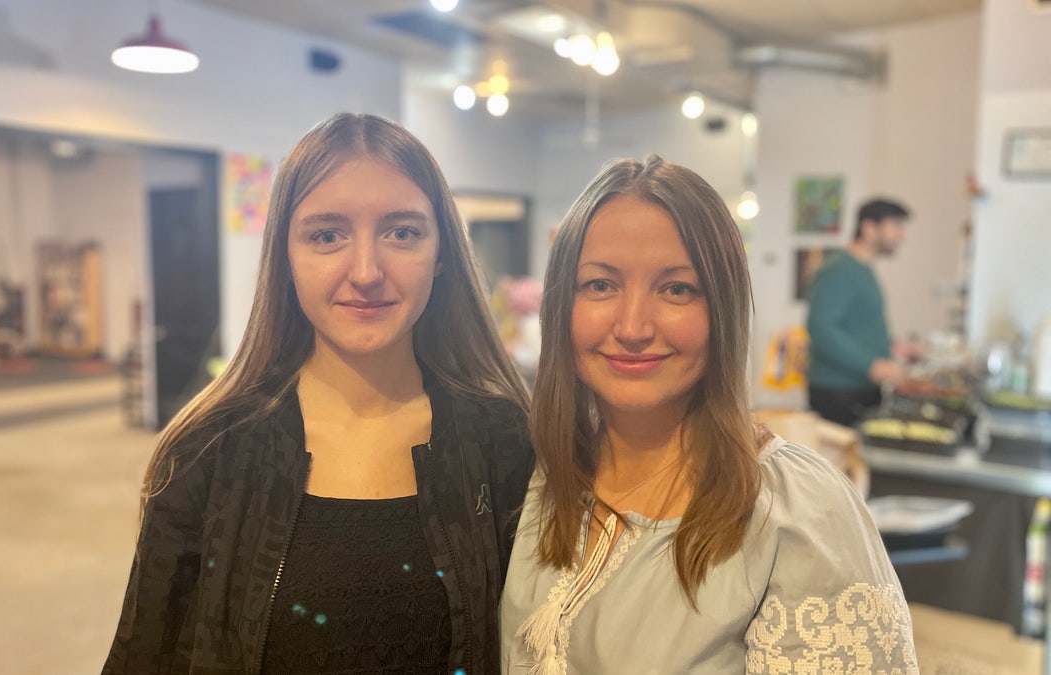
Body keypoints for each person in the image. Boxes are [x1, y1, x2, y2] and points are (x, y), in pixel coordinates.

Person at [104, 113, 534, 674]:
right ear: (285, 259)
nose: (366, 271)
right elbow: (147, 658)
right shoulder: (210, 449)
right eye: (326, 235)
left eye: (401, 232)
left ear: (443, 253)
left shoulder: (504, 439)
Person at [500, 157, 916, 673]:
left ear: (722, 308)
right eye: (600, 285)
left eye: (676, 289)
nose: (632, 326)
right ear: (561, 306)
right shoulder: (539, 474)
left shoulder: (798, 512)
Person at [806, 198, 911, 427]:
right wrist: (871, 365)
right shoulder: (839, 268)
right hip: (838, 392)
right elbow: (821, 327)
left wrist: (890, 347)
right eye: (895, 226)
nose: (901, 235)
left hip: (858, 389)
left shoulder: (862, 269)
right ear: (868, 228)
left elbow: (858, 325)